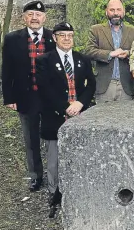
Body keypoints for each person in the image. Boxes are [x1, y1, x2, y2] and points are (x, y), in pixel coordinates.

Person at [35, 22, 96, 217]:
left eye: (70, 35)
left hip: (79, 115)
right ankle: (55, 195)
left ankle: (78, 191)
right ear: (54, 38)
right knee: (54, 160)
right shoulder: (44, 60)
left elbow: (91, 85)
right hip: (55, 116)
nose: (67, 38)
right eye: (62, 35)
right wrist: (65, 107)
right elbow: (45, 89)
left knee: (80, 154)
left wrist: (80, 104)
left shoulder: (82, 59)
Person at [1, 0, 56, 191]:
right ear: (24, 17)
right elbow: (6, 70)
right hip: (26, 96)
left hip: (50, 98)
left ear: (44, 17)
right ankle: (35, 176)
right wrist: (8, 98)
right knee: (30, 138)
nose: (35, 18)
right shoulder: (12, 39)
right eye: (31, 14)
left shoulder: (54, 37)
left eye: (38, 14)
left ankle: (55, 176)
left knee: (53, 137)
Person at [85, 0, 134, 103]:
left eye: (119, 10)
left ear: (123, 11)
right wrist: (110, 54)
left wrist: (128, 53)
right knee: (102, 118)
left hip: (127, 85)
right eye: (112, 10)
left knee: (127, 118)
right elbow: (89, 51)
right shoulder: (96, 30)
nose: (116, 13)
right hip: (105, 85)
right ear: (106, 11)